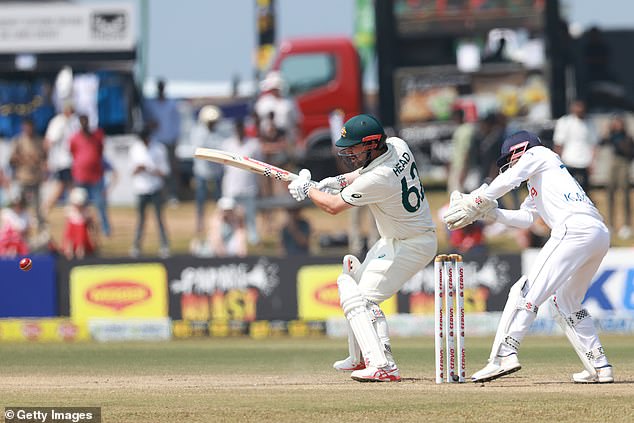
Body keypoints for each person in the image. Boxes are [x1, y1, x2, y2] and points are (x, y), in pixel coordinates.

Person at [443, 130, 613, 384]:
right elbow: (528, 219)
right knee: (567, 300)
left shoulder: (539, 153)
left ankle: (505, 354)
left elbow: (510, 178)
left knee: (526, 291)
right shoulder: (542, 177)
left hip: (573, 230)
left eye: (510, 160)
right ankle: (600, 366)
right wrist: (489, 213)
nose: (509, 166)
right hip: (597, 234)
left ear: (520, 151)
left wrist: (476, 199)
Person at [287, 114, 437, 382]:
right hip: (395, 239)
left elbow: (332, 207)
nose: (349, 152)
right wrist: (338, 180)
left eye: (354, 147)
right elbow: (363, 174)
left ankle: (383, 366)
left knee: (362, 301)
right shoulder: (397, 145)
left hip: (413, 244)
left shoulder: (381, 178)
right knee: (350, 282)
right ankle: (360, 359)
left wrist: (308, 189)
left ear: (371, 144)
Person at [129, 128, 171, 258]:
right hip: (141, 188)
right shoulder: (135, 149)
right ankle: (136, 246)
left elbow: (165, 171)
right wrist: (139, 169)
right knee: (141, 219)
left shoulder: (159, 148)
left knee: (159, 218)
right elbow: (131, 171)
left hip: (155, 187)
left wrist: (151, 169)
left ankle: (164, 246)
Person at [221, 119, 262, 245]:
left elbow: (260, 166)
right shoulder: (227, 144)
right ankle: (227, 237)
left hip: (249, 186)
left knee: (250, 215)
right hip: (231, 187)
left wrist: (261, 186)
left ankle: (253, 238)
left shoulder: (253, 145)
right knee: (228, 215)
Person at [69, 114, 111, 237]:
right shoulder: (75, 138)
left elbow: (100, 151)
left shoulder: (97, 135)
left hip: (96, 175)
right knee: (81, 205)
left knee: (100, 203)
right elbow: (73, 152)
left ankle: (105, 229)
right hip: (80, 175)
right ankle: (83, 229)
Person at [143, 79, 181, 204]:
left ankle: (173, 194)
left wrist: (176, 138)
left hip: (170, 140)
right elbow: (147, 121)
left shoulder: (171, 103)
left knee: (172, 169)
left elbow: (177, 122)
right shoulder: (150, 104)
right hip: (157, 141)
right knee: (158, 169)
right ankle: (161, 195)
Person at [553, 100, 599, 194]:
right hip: (568, 161)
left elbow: (593, 145)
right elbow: (559, 144)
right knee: (568, 192)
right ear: (572, 108)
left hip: (585, 162)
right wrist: (557, 163)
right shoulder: (565, 122)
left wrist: (592, 162)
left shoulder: (590, 123)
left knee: (584, 193)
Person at [191, 105, 224, 234]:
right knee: (201, 199)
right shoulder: (198, 132)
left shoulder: (218, 133)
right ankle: (200, 223)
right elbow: (199, 150)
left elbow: (221, 149)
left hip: (216, 172)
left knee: (219, 200)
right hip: (202, 172)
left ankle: (221, 223)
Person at [42, 100, 79, 216]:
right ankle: (44, 211)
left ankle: (45, 210)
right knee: (65, 187)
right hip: (62, 161)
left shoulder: (72, 122)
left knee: (65, 187)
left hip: (70, 161)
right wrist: (46, 159)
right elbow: (48, 142)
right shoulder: (58, 122)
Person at [9, 118, 47, 230]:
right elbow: (12, 159)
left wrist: (37, 161)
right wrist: (24, 158)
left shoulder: (39, 141)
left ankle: (41, 230)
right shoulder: (18, 141)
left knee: (38, 207)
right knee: (19, 204)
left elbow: (44, 158)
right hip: (22, 177)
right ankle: (18, 229)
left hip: (36, 178)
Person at [601, 115, 634, 239]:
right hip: (613, 163)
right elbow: (601, 142)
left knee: (625, 194)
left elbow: (629, 152)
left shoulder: (627, 137)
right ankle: (610, 224)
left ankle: (626, 225)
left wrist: (618, 142)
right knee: (610, 193)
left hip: (624, 164)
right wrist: (608, 132)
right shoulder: (611, 136)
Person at [61, 186, 97, 259]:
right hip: (72, 234)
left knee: (80, 244)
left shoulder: (86, 213)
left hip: (81, 235)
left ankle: (79, 255)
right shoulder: (70, 211)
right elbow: (68, 228)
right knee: (69, 243)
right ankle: (70, 254)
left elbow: (91, 226)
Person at [0, 188, 30, 258]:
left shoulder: (26, 214)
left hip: (21, 242)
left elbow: (27, 231)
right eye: (15, 204)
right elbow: (5, 230)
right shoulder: (6, 213)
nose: (17, 206)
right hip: (6, 242)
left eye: (19, 204)